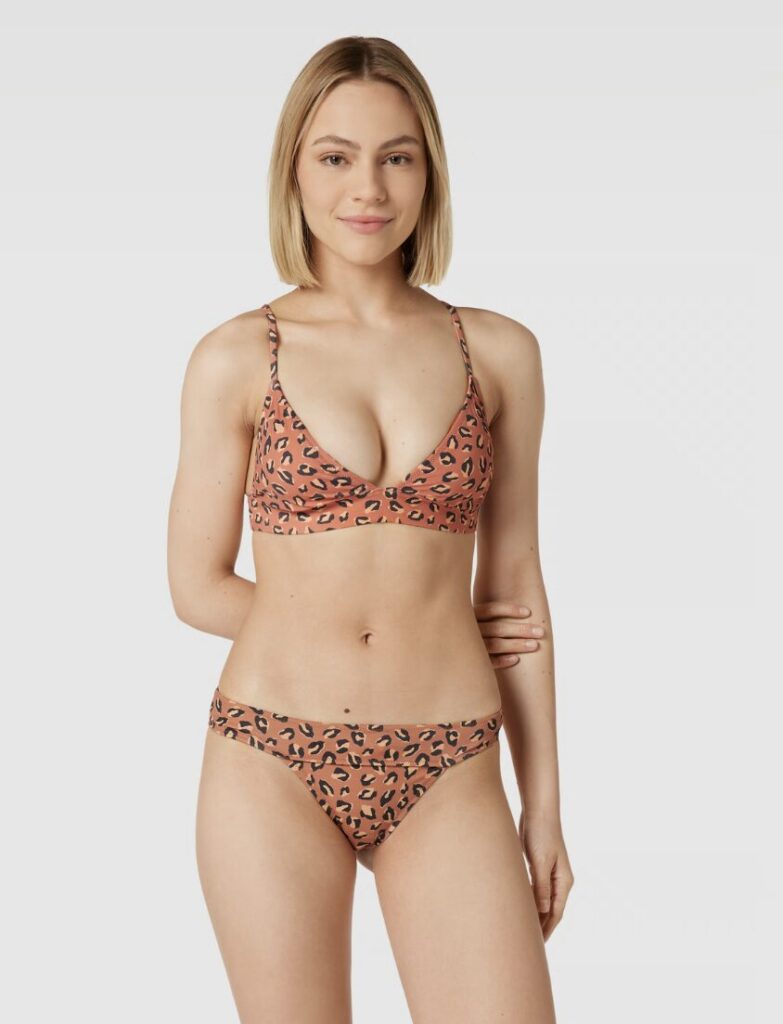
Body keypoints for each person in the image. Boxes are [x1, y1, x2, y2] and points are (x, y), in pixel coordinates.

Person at [167, 35, 573, 1024]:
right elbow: (195, 584)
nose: (369, 188)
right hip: (273, 753)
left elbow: (514, 596)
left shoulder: (498, 353)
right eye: (335, 156)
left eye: (398, 156)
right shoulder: (237, 356)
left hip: (451, 759)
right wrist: (353, 624)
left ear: (430, 172)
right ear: (293, 172)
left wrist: (544, 806)